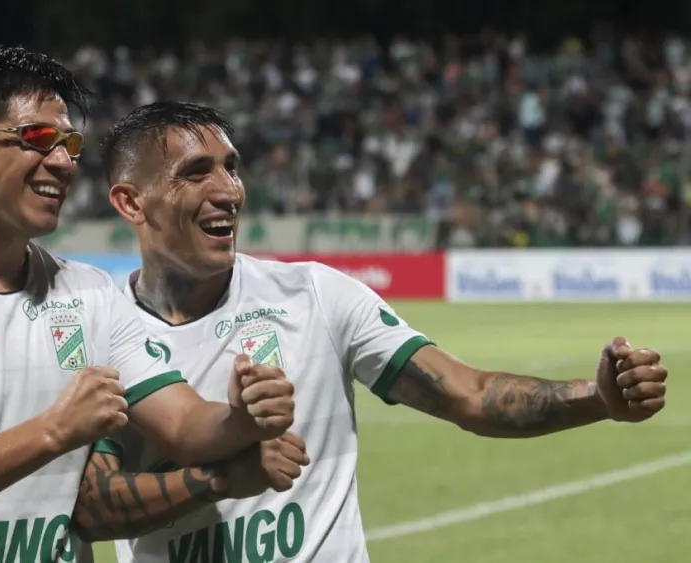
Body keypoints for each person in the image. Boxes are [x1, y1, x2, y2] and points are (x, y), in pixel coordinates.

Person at [70, 101, 669, 562]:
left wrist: (597, 400)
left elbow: (467, 393)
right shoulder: (99, 331)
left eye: (231, 168)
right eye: (195, 173)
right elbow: (92, 508)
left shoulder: (315, 295)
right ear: (130, 203)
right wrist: (222, 476)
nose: (228, 191)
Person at [0, 48, 302, 563]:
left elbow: (185, 426)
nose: (63, 162)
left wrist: (242, 419)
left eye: (70, 143)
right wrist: (53, 431)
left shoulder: (89, 294)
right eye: (37, 139)